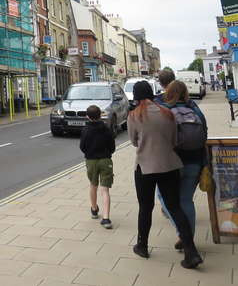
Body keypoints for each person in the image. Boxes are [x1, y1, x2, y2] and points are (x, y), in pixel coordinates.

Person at [128, 81, 203, 268]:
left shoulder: (134, 115)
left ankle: (142, 246)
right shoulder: (167, 113)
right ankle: (191, 252)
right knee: (175, 207)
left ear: (137, 97)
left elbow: (134, 141)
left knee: (145, 208)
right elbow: (175, 140)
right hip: (170, 166)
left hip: (145, 167)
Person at [157, 81, 207, 249]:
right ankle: (188, 238)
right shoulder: (195, 110)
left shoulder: (165, 111)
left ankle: (183, 234)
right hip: (195, 161)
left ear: (168, 93)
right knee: (186, 200)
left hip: (173, 164)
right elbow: (204, 137)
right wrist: (204, 164)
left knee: (163, 197)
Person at [79, 104, 115, 229]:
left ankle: (94, 209)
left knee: (93, 185)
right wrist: (108, 153)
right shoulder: (106, 129)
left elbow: (82, 147)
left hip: (91, 161)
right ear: (100, 115)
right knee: (105, 190)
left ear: (87, 117)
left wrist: (89, 153)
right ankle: (106, 219)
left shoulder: (85, 130)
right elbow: (112, 146)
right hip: (106, 160)